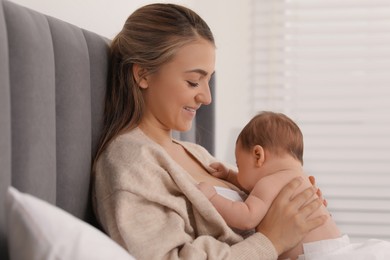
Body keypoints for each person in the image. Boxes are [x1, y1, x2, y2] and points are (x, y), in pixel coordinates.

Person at [91, 3, 328, 260]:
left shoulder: (198, 154)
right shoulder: (130, 164)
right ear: (143, 74)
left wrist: (297, 203)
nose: (207, 97)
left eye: (208, 80)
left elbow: (262, 206)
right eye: (193, 81)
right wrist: (272, 240)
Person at [197, 111, 341, 259]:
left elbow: (246, 218)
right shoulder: (302, 180)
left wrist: (212, 197)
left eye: (239, 166)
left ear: (258, 155)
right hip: (339, 248)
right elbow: (251, 186)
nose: (238, 173)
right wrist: (229, 175)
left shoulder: (269, 182)